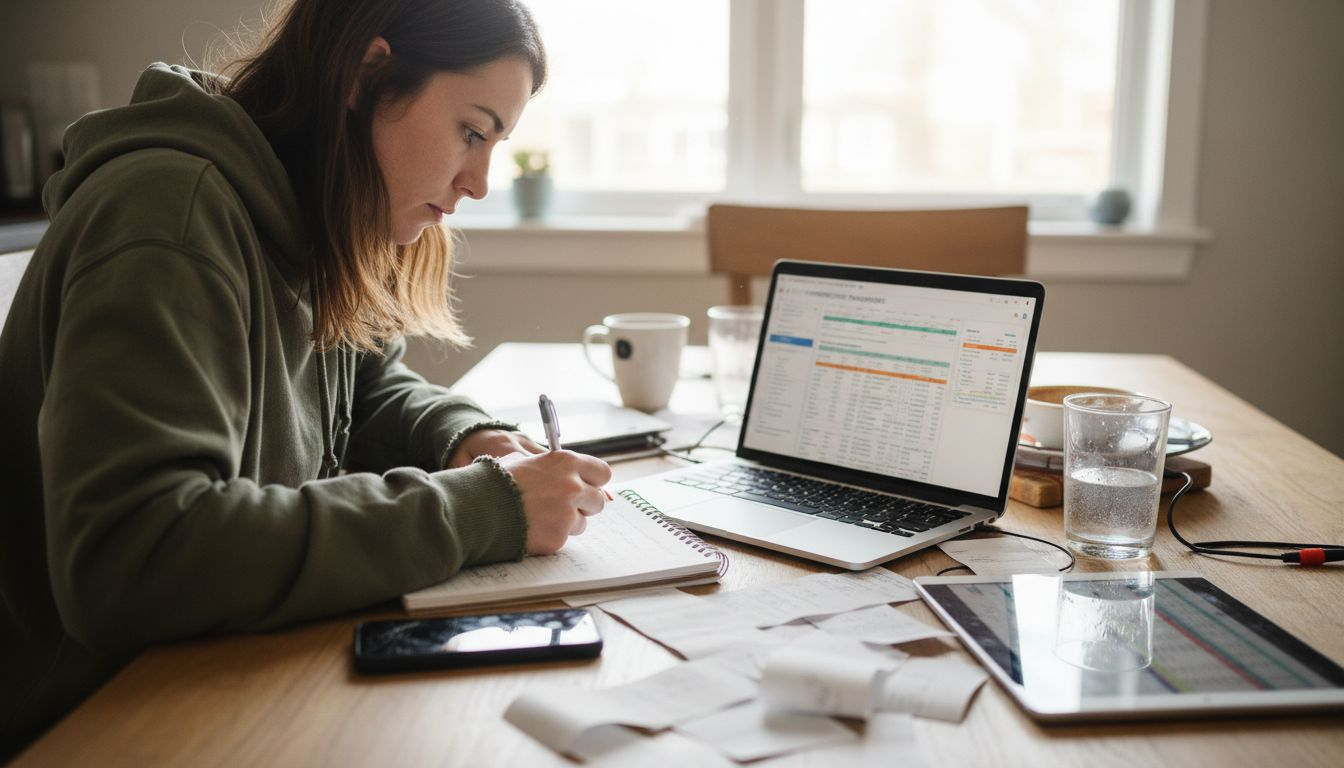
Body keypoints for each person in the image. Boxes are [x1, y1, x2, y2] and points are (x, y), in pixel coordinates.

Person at [0, 0, 611, 758]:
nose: (480, 182)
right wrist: (484, 507)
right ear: (367, 74)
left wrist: (465, 440)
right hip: (95, 720)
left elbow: (364, 382)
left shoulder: (295, 210)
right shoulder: (168, 219)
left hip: (217, 673)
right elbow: (134, 557)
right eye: (471, 131)